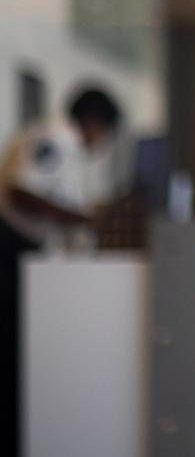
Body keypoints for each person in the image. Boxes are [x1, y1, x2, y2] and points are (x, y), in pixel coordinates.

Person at [0, 85, 125, 457]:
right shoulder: (57, 137)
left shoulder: (58, 143)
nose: (99, 143)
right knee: (10, 357)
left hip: (20, 249)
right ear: (93, 122)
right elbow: (22, 192)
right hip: (7, 248)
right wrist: (80, 218)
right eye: (103, 133)